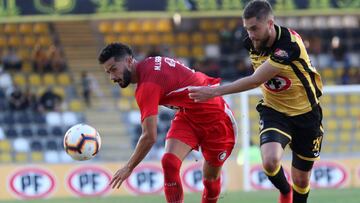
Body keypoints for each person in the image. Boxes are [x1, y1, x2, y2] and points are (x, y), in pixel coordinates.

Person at [189, 1, 323, 203]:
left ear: (270, 23)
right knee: (270, 161)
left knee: (302, 181)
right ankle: (285, 191)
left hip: (307, 114)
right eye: (247, 29)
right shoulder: (251, 43)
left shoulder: (289, 44)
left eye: (254, 28)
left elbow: (256, 80)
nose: (250, 34)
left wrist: (213, 92)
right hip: (274, 111)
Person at [98, 42, 237, 203]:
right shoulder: (150, 63)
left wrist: (128, 167)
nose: (112, 77)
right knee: (169, 161)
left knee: (211, 178)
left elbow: (149, 136)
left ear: (129, 61)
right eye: (108, 72)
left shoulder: (147, 85)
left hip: (216, 119)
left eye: (114, 69)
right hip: (189, 117)